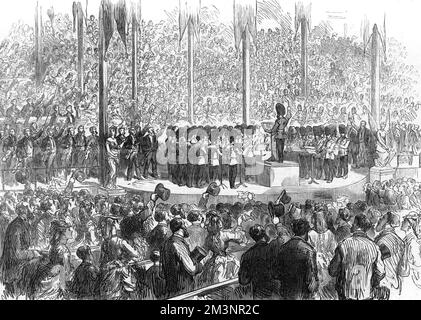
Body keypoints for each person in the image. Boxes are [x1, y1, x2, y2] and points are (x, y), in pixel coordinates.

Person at [328, 214, 386, 300]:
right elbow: (381, 272)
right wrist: (369, 282)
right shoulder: (374, 247)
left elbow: (332, 271)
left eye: (354, 223)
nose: (351, 225)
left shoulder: (343, 244)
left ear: (357, 225)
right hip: (366, 294)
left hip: (346, 294)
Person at [161, 217, 212, 298]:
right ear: (181, 228)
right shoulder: (178, 244)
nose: (186, 228)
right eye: (184, 225)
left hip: (172, 287)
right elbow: (191, 269)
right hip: (183, 288)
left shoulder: (168, 242)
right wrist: (201, 263)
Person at [0, 204, 41, 297]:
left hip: (19, 262)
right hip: (13, 267)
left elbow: (25, 245)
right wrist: (32, 253)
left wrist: (34, 251)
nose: (33, 210)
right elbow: (17, 253)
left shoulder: (22, 223)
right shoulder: (16, 227)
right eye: (30, 209)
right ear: (24, 212)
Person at [271, 219, 319, 300]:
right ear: (306, 233)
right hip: (303, 295)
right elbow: (312, 278)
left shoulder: (282, 248)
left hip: (286, 293)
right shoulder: (309, 250)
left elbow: (275, 274)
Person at [98, 216, 141, 300]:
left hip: (108, 270)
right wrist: (125, 260)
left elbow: (102, 259)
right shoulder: (120, 241)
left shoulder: (104, 243)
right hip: (119, 271)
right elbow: (135, 254)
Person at [239, 225, 278, 299]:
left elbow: (243, 280)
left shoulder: (247, 255)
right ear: (265, 235)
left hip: (259, 294)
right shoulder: (274, 248)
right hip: (277, 291)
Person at [374, 212, 405, 296]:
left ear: (389, 224)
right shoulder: (398, 240)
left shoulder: (384, 241)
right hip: (393, 283)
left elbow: (377, 263)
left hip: (383, 284)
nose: (379, 219)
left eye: (383, 218)